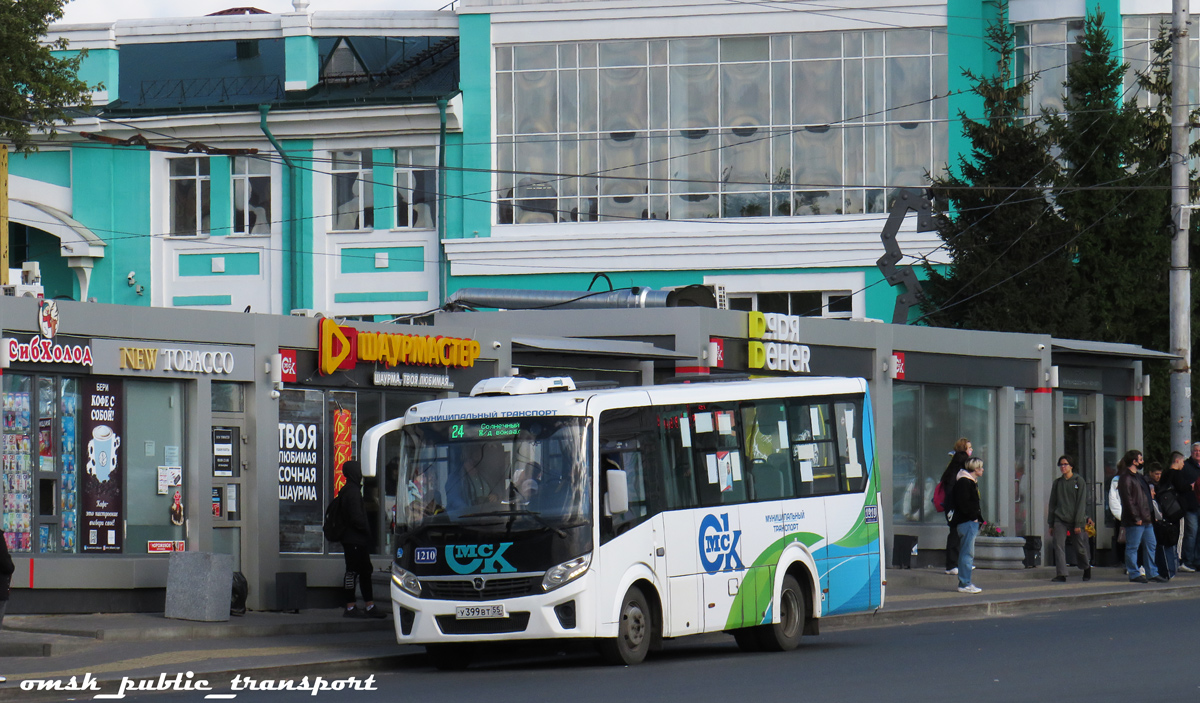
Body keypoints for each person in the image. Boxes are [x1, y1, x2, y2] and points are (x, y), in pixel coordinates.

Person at [338, 460, 387, 618]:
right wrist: (366, 530)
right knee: (355, 572)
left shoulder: (348, 491)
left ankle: (366, 605)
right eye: (358, 471)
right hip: (355, 540)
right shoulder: (352, 492)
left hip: (354, 540)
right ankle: (353, 606)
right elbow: (356, 518)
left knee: (363, 571)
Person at [1117, 449, 1164, 583]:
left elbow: (1145, 497)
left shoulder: (1138, 476)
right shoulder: (1126, 478)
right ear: (1134, 461)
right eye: (1140, 459)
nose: (1142, 461)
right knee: (1133, 546)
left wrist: (1151, 514)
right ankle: (1134, 573)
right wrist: (1135, 517)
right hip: (1136, 520)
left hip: (1146, 518)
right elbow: (1128, 500)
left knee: (1151, 544)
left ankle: (1151, 572)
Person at [1047, 454, 1092, 582]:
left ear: (1071, 466)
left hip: (1075, 519)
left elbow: (1081, 503)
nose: (1063, 467)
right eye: (1061, 464)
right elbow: (1052, 503)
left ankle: (1086, 566)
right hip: (1060, 518)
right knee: (1059, 545)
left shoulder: (1079, 481)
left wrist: (1079, 523)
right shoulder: (1057, 483)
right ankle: (1061, 574)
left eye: (1065, 464)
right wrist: (1051, 523)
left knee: (1079, 547)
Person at [938, 438, 972, 575]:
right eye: (969, 447)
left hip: (951, 504)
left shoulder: (953, 463)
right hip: (957, 504)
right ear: (964, 449)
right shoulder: (963, 463)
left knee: (955, 532)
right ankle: (955, 564)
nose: (971, 450)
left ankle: (954, 564)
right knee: (958, 533)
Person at [951, 457, 985, 594]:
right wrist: (974, 517)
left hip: (968, 521)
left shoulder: (967, 482)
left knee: (966, 552)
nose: (982, 470)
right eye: (980, 467)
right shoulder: (965, 483)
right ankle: (965, 583)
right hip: (967, 522)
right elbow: (964, 504)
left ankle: (965, 582)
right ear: (975, 469)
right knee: (967, 553)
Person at [1148, 461, 1181, 580]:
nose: (1158, 476)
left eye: (1159, 474)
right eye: (1156, 474)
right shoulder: (1149, 484)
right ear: (1150, 473)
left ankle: (1166, 569)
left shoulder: (1161, 484)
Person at [1178, 443, 1200, 572]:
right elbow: (1180, 484)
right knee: (1191, 533)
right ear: (1191, 452)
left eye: (1199, 451)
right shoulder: (1185, 466)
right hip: (1191, 506)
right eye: (1195, 451)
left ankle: (1198, 561)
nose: (1197, 453)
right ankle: (1188, 561)